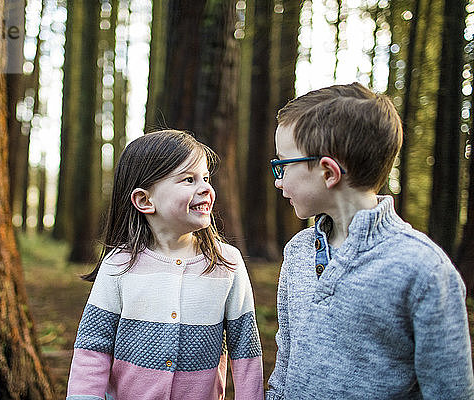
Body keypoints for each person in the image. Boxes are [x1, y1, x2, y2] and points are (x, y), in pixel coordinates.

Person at [265, 83, 474, 399]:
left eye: (283, 164)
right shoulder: (299, 252)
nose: (278, 181)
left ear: (328, 172)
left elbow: (450, 390)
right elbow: (285, 364)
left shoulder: (424, 269)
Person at [66, 130, 264, 400]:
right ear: (145, 201)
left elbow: (245, 348)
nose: (206, 188)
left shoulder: (227, 263)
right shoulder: (119, 265)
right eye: (188, 179)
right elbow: (93, 348)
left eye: (205, 178)